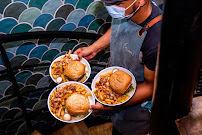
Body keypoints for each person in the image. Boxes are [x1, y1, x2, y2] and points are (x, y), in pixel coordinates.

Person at [74, 0, 162, 134]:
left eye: (117, 3)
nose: (110, 9)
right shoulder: (131, 10)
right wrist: (95, 48)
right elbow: (118, 26)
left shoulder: (154, 44)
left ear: (141, 1)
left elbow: (151, 86)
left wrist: (110, 104)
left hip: (136, 107)